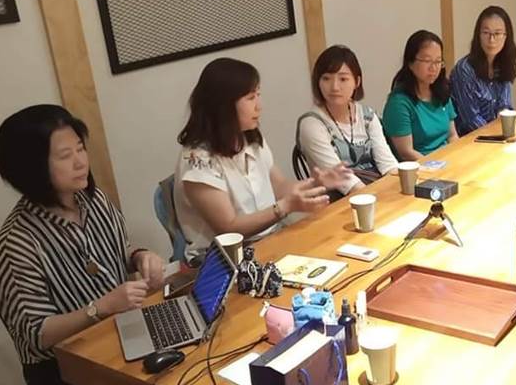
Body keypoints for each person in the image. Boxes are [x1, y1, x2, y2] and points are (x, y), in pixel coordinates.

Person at [0, 105, 194, 385]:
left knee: (196, 340)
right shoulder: (18, 243)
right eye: (65, 155)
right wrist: (99, 308)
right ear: (31, 168)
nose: (81, 161)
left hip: (120, 329)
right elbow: (35, 334)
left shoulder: (93, 200)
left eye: (80, 148)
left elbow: (120, 249)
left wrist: (141, 257)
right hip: (66, 369)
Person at [175, 58, 351, 260]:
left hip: (270, 239)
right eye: (251, 98)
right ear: (223, 105)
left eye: (258, 95)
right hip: (224, 259)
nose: (259, 106)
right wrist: (284, 207)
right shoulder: (197, 160)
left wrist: (316, 184)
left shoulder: (249, 138)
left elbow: (279, 187)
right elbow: (229, 229)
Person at [297, 45, 398, 198]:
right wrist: (380, 199)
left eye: (343, 79)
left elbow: (388, 164)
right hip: (337, 200)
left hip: (375, 191)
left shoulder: (367, 116)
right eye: (326, 78)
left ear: (357, 81)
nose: (334, 87)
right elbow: (347, 183)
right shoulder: (312, 124)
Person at [383, 30, 459, 160]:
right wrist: (436, 166)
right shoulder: (399, 103)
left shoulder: (442, 92)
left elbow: (452, 136)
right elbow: (406, 152)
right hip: (422, 165)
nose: (433, 68)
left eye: (438, 61)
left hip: (448, 159)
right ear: (410, 63)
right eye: (427, 61)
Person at [450, 5, 516, 135]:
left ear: (506, 36)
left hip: (497, 135)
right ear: (478, 35)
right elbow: (471, 120)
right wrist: (496, 135)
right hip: (471, 138)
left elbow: (505, 106)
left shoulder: (504, 64)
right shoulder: (464, 69)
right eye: (486, 33)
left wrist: (505, 127)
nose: (491, 40)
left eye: (497, 33)